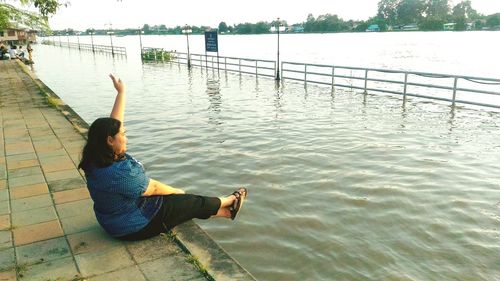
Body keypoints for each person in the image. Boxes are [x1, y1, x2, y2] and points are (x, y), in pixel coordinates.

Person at [78, 74, 248, 241]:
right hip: (132, 227)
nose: (126, 137)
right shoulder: (119, 173)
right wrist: (179, 194)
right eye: (123, 135)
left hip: (114, 218)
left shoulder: (96, 156)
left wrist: (121, 93)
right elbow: (155, 189)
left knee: (182, 207)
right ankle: (229, 200)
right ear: (110, 140)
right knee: (191, 202)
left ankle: (227, 212)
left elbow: (115, 124)